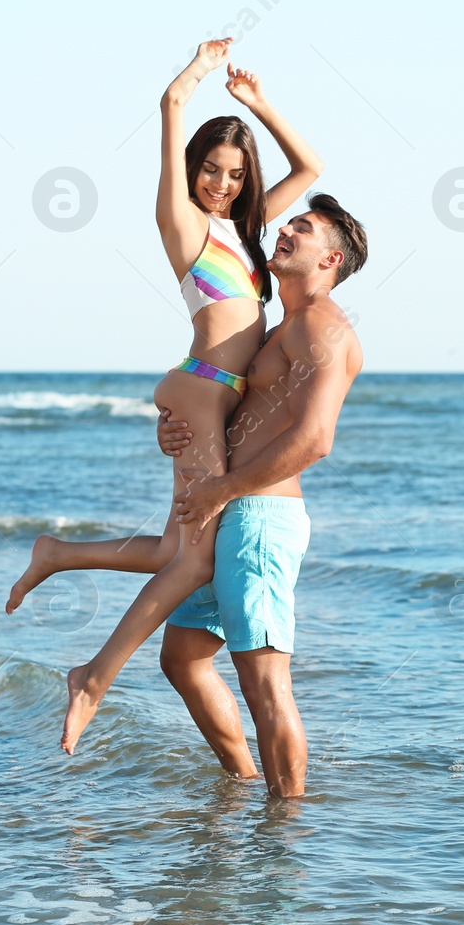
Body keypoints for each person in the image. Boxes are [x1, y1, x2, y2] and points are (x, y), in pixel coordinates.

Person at [4, 38, 323, 753]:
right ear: (192, 170)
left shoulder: (246, 234)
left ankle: (57, 553)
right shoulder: (184, 224)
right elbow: (172, 104)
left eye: (235, 175)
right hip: (204, 390)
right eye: (211, 169)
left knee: (179, 546)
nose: (221, 184)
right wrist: (201, 71)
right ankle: (92, 676)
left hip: (209, 396)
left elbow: (312, 167)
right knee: (196, 559)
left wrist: (259, 105)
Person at [152, 194, 367, 797]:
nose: (286, 231)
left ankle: (287, 824)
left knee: (265, 683)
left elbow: (315, 438)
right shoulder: (280, 329)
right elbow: (220, 399)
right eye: (289, 222)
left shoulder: (326, 327)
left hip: (260, 520)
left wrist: (224, 487)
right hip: (231, 513)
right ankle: (245, 785)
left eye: (303, 228)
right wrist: (171, 426)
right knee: (184, 658)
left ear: (331, 258)